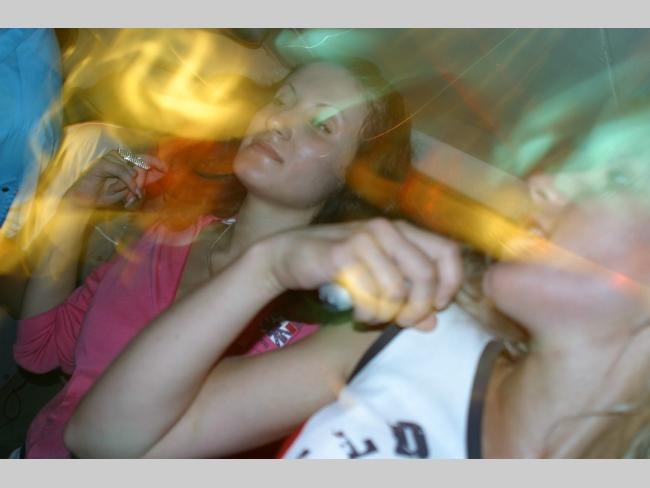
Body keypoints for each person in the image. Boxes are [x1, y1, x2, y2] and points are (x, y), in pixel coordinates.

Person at [66, 97, 650, 459]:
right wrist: (268, 266)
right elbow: (101, 443)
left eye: (619, 179)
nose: (543, 185)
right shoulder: (416, 335)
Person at [14, 58, 460, 458]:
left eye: (322, 125)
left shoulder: (317, 333)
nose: (280, 120)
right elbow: (41, 350)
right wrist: (71, 216)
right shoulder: (170, 235)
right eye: (282, 100)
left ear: (353, 178)